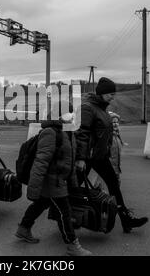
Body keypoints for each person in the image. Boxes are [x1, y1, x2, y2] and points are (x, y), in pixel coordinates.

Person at [15, 102, 92, 256]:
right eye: (69, 113)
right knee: (65, 213)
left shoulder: (68, 132)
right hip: (52, 181)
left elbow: (68, 161)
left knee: (41, 204)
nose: (72, 116)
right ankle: (72, 246)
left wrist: (73, 182)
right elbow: (41, 161)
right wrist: (33, 188)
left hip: (59, 180)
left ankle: (23, 228)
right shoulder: (50, 132)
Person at [75, 77, 148, 233]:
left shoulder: (102, 109)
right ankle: (62, 212)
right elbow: (82, 133)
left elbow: (103, 133)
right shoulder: (88, 108)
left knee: (113, 184)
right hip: (88, 157)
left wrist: (107, 150)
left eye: (113, 93)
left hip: (100, 157)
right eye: (110, 93)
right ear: (101, 93)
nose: (112, 96)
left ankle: (126, 220)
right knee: (73, 186)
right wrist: (81, 158)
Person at [108, 111, 123, 186]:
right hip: (110, 168)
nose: (116, 124)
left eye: (117, 122)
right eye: (113, 122)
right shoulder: (108, 136)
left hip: (117, 167)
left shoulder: (116, 135)